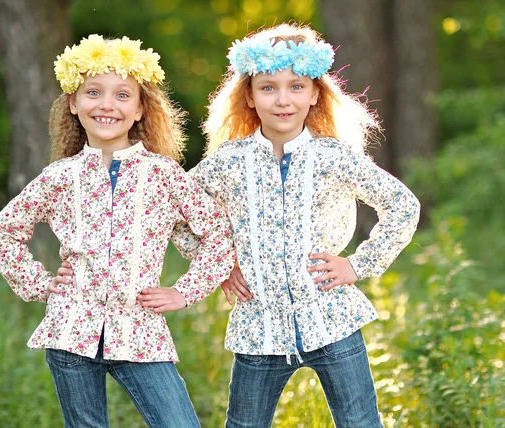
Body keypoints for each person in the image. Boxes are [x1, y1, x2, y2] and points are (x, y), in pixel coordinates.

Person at [176, 23, 420, 427]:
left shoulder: (334, 157)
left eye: (296, 87)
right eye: (268, 87)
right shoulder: (228, 162)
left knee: (360, 422)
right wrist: (218, 264)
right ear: (250, 97)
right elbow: (177, 216)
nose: (282, 99)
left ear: (314, 95)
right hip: (259, 325)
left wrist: (358, 265)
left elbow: (402, 206)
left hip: (332, 320)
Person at [0, 34, 234, 428]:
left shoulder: (163, 174)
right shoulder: (60, 176)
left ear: (139, 110)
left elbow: (218, 234)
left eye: (122, 95)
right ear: (73, 102)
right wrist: (41, 283)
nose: (106, 105)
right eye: (93, 92)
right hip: (71, 331)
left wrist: (185, 292)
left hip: (140, 329)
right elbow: (1, 233)